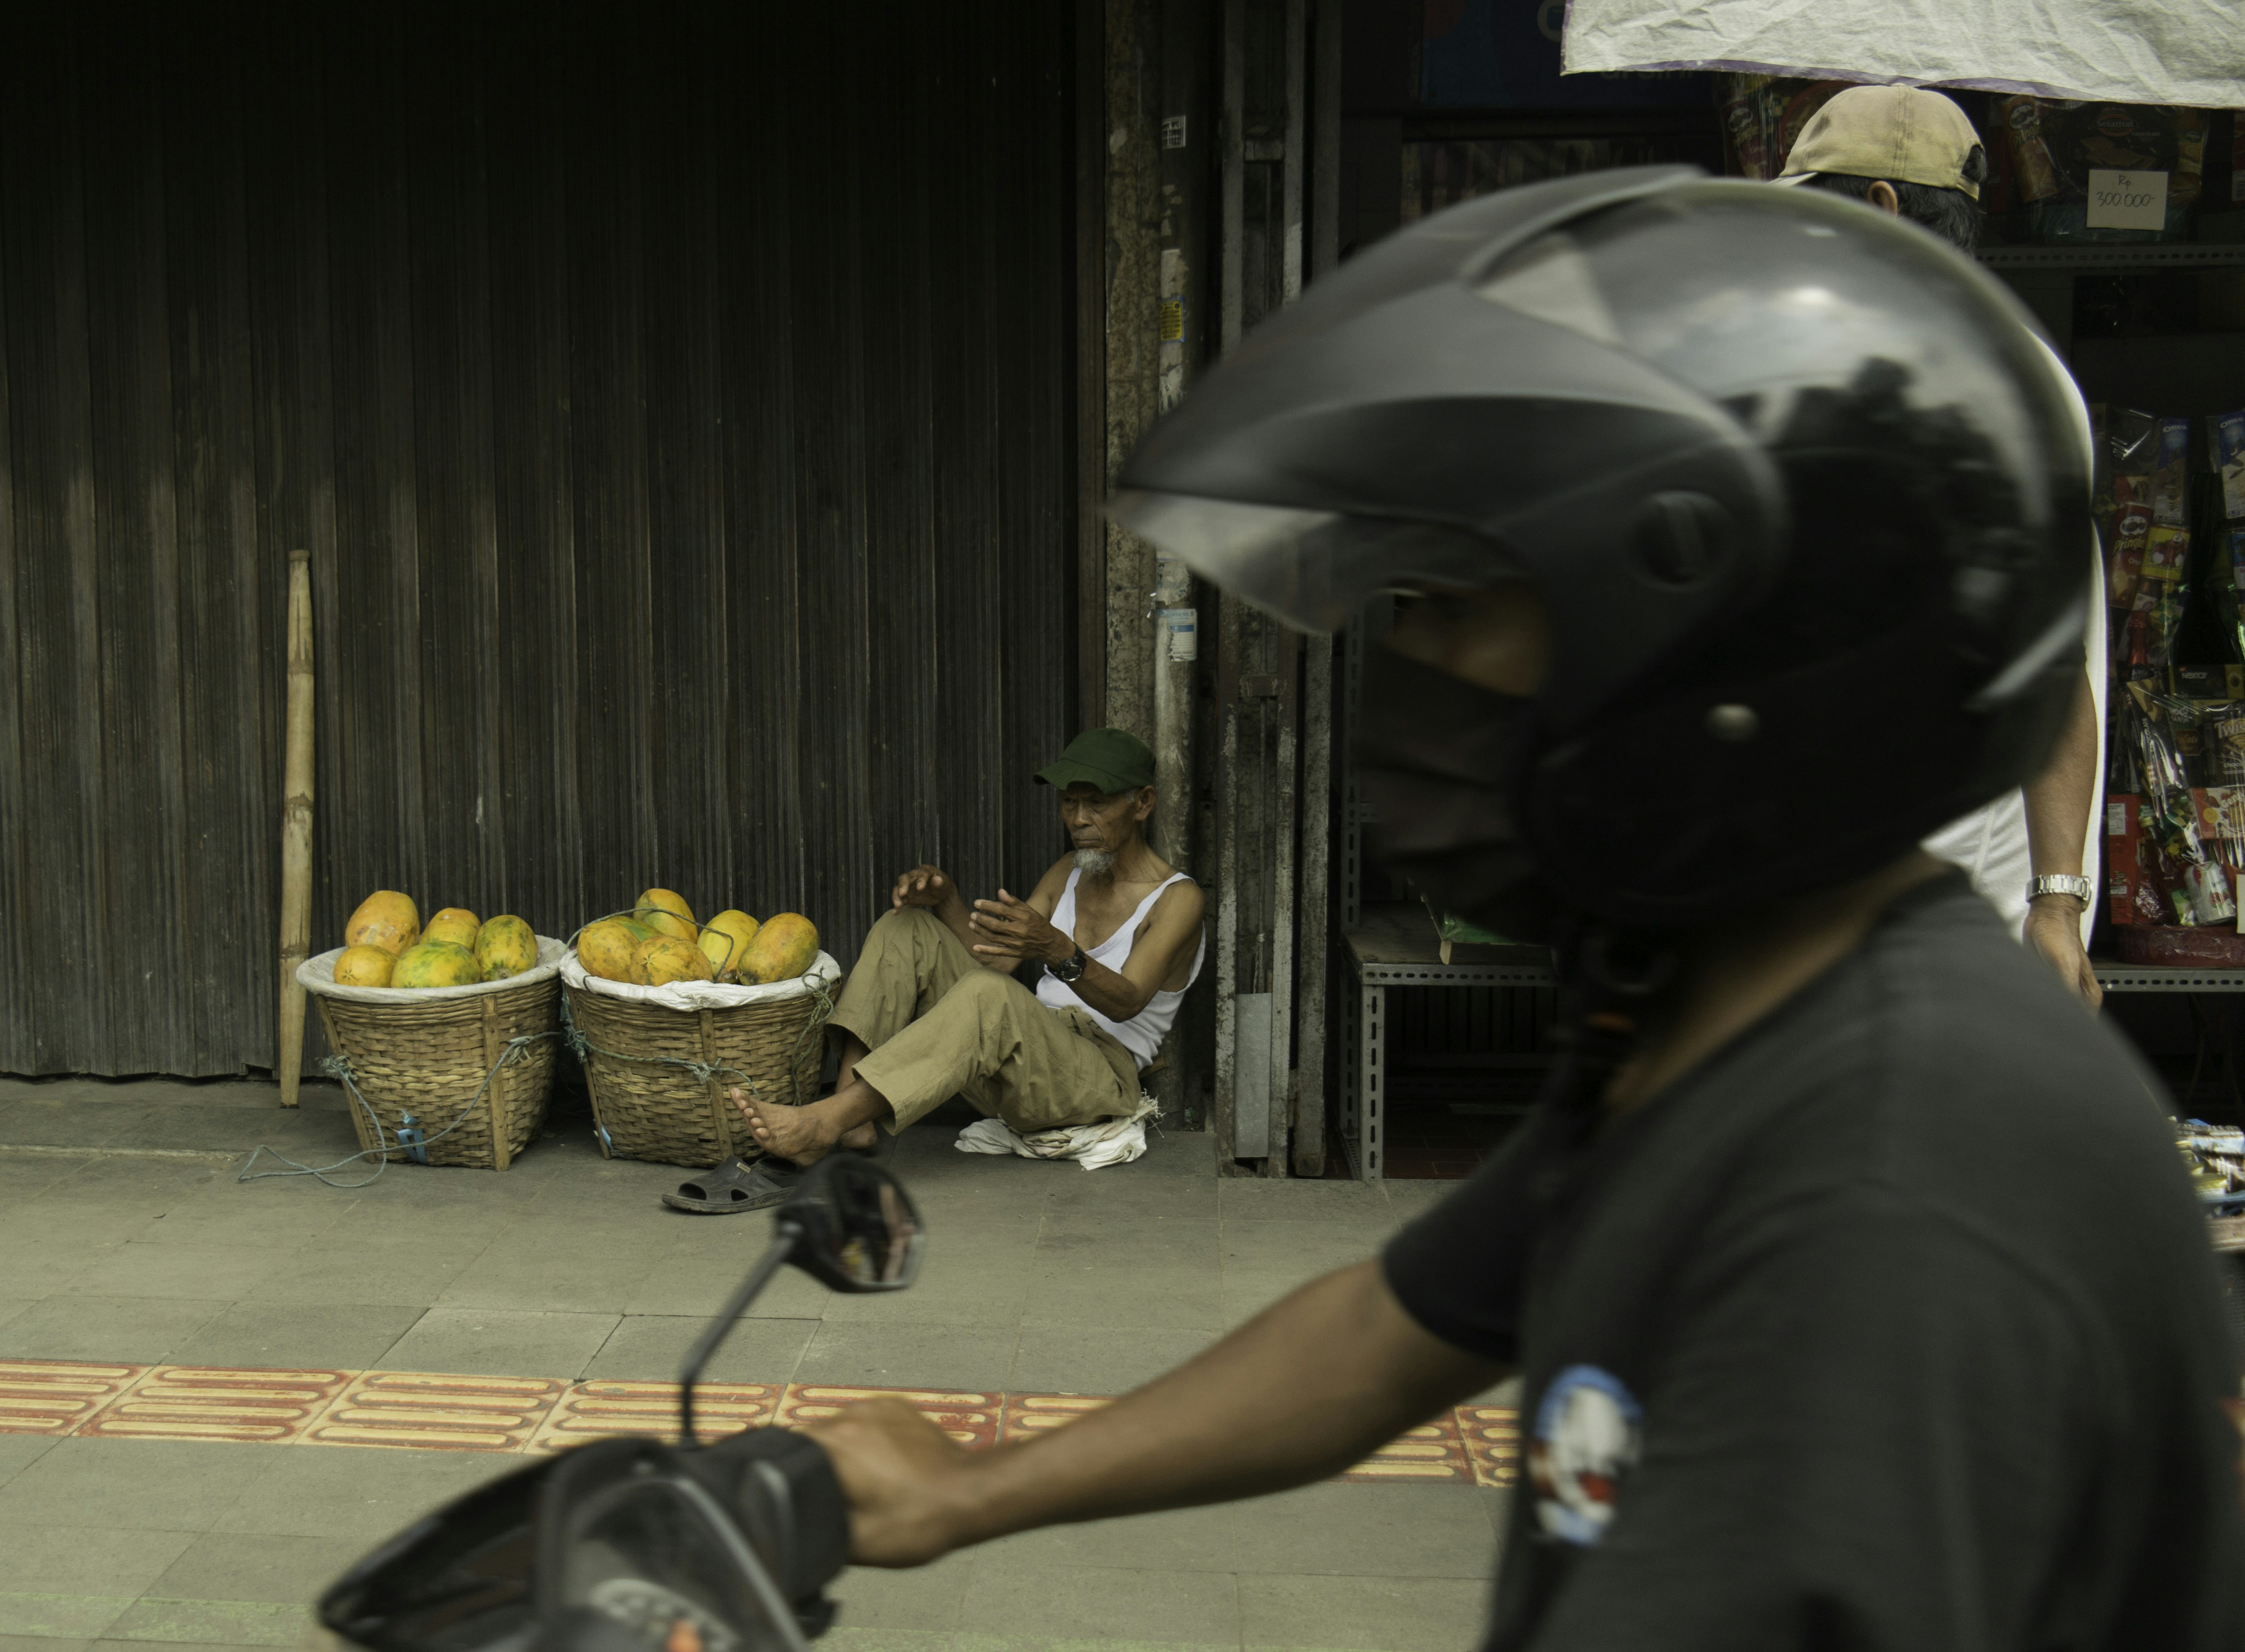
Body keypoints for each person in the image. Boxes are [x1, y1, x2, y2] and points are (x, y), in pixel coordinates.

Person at [806, 170, 2245, 1645]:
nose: (1415, 668)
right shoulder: (1706, 1011)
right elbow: (1381, 1338)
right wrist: (976, 1489)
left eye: (1459, 605)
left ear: (1706, 651)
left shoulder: (1889, 1181)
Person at [1780, 84, 2109, 1009]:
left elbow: (2046, 661)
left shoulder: (1990, 391)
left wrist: (2055, 905)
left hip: (1944, 893)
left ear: (1883, 207)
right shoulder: (1871, 362)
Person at [732, 728, 1204, 1165]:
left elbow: (1126, 1002)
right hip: (1026, 1056)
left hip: (1097, 1079)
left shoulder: (1178, 899)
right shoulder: (1069, 870)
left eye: (1097, 804)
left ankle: (825, 1121)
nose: (1079, 819)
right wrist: (947, 900)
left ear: (1142, 803)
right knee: (907, 927)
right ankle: (853, 1120)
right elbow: (998, 958)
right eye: (1069, 803)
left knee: (989, 995)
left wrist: (1055, 947)